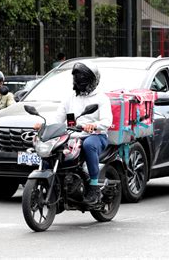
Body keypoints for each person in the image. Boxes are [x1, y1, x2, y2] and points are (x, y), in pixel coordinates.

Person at [34, 62, 112, 205]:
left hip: (96, 136)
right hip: (73, 135)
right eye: (76, 77)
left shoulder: (101, 98)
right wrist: (44, 126)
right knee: (51, 149)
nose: (78, 80)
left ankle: (94, 186)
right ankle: (53, 184)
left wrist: (93, 126)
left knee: (88, 145)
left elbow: (107, 121)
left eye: (81, 77)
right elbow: (58, 119)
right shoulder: (70, 99)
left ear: (91, 80)